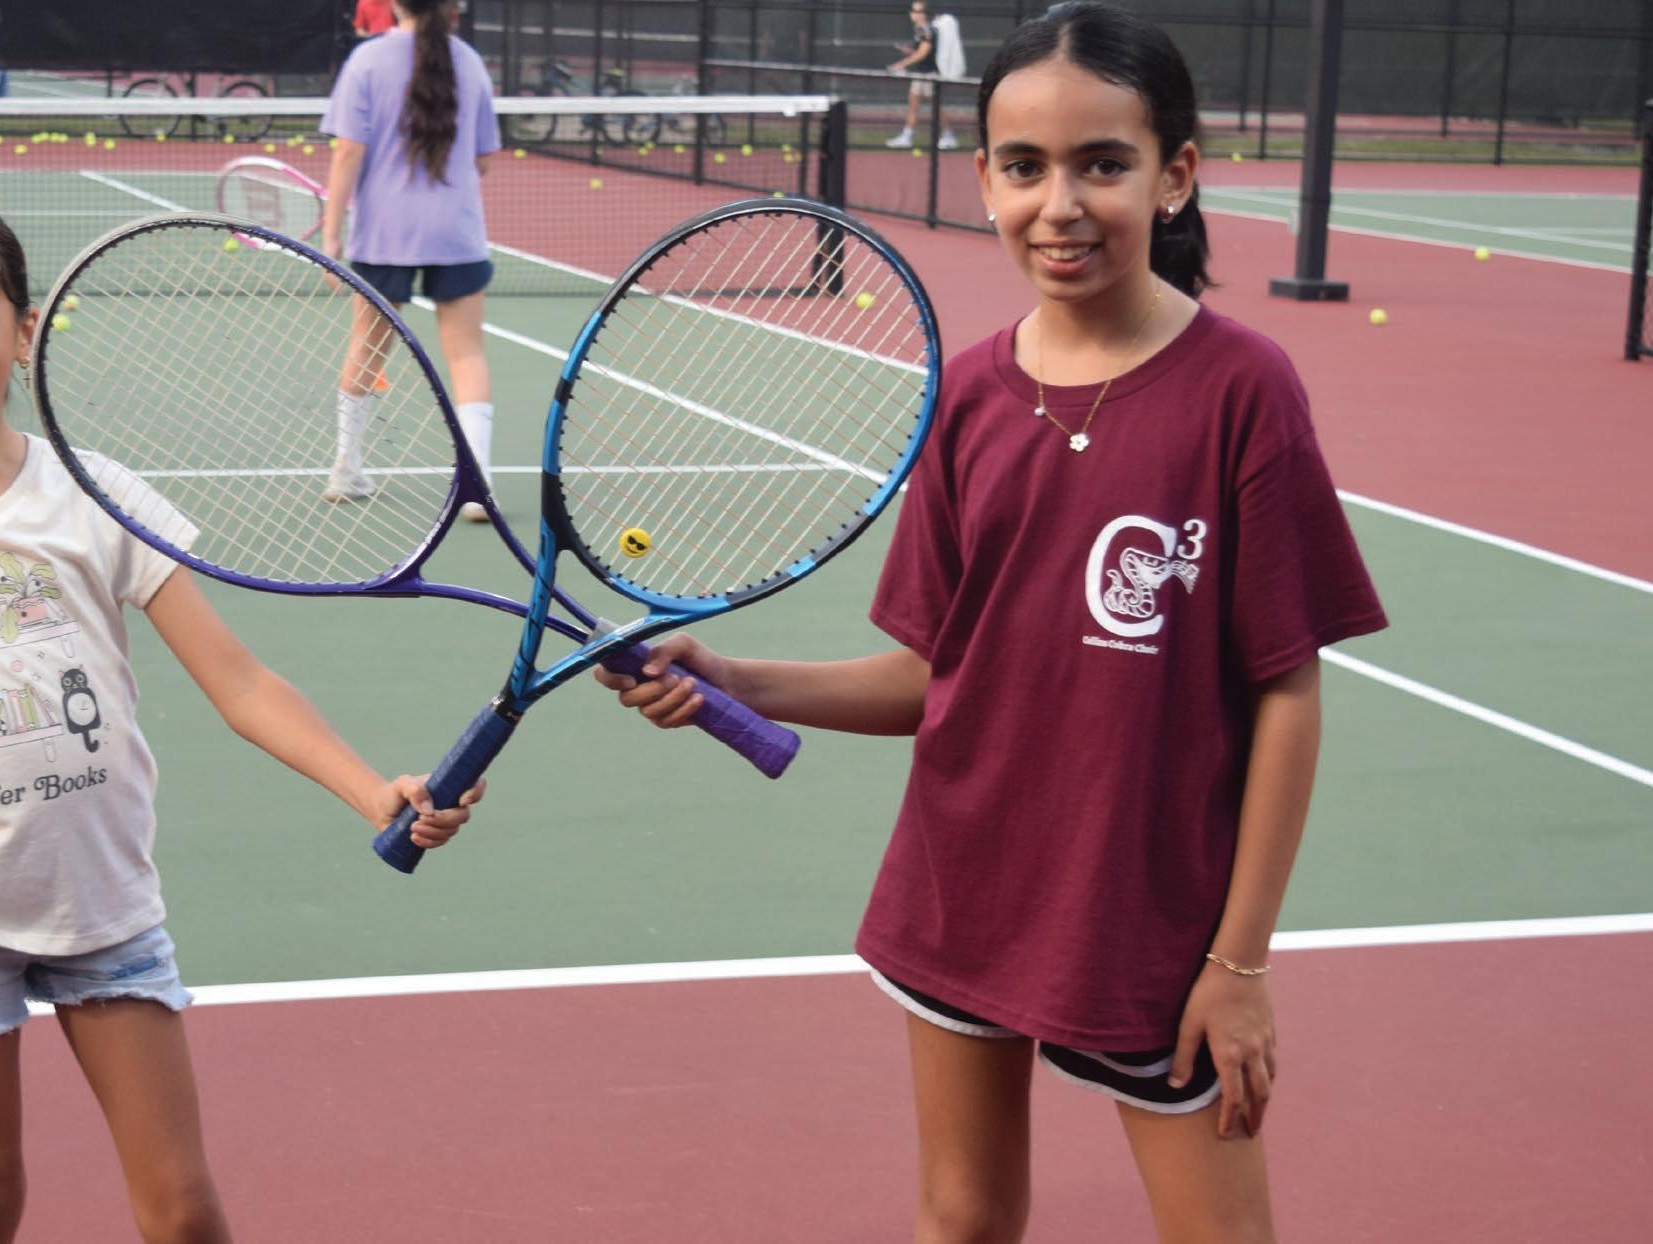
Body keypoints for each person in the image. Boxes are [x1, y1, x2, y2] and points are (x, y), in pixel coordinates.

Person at [599, 5, 1387, 1241]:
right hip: (961, 887)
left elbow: (1284, 692)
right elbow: (934, 673)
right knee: (962, 1216)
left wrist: (1238, 963)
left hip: (1151, 918)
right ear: (983, 180)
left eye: (1102, 164)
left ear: (1174, 174)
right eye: (1024, 167)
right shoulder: (965, 395)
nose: (1058, 204)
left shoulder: (1242, 391)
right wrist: (734, 676)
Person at [0, 190, 480, 1243]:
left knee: (182, 1209)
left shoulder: (94, 495)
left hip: (103, 905)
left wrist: (368, 787)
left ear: (23, 330)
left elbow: (240, 682)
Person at [319, 0, 501, 522]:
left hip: (384, 235)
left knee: (367, 346)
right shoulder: (469, 61)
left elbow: (347, 152)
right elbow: (484, 159)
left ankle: (346, 469)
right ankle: (478, 484)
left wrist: (331, 234)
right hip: (456, 232)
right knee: (466, 354)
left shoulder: (365, 61)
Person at [886, 1, 957, 150]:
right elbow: (921, 52)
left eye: (917, 11)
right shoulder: (919, 30)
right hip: (920, 74)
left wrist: (901, 64)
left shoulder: (926, 29)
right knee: (913, 105)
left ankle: (949, 136)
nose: (913, 14)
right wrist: (909, 51)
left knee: (935, 107)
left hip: (929, 75)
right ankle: (907, 137)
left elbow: (923, 53)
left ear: (924, 14)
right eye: (913, 11)